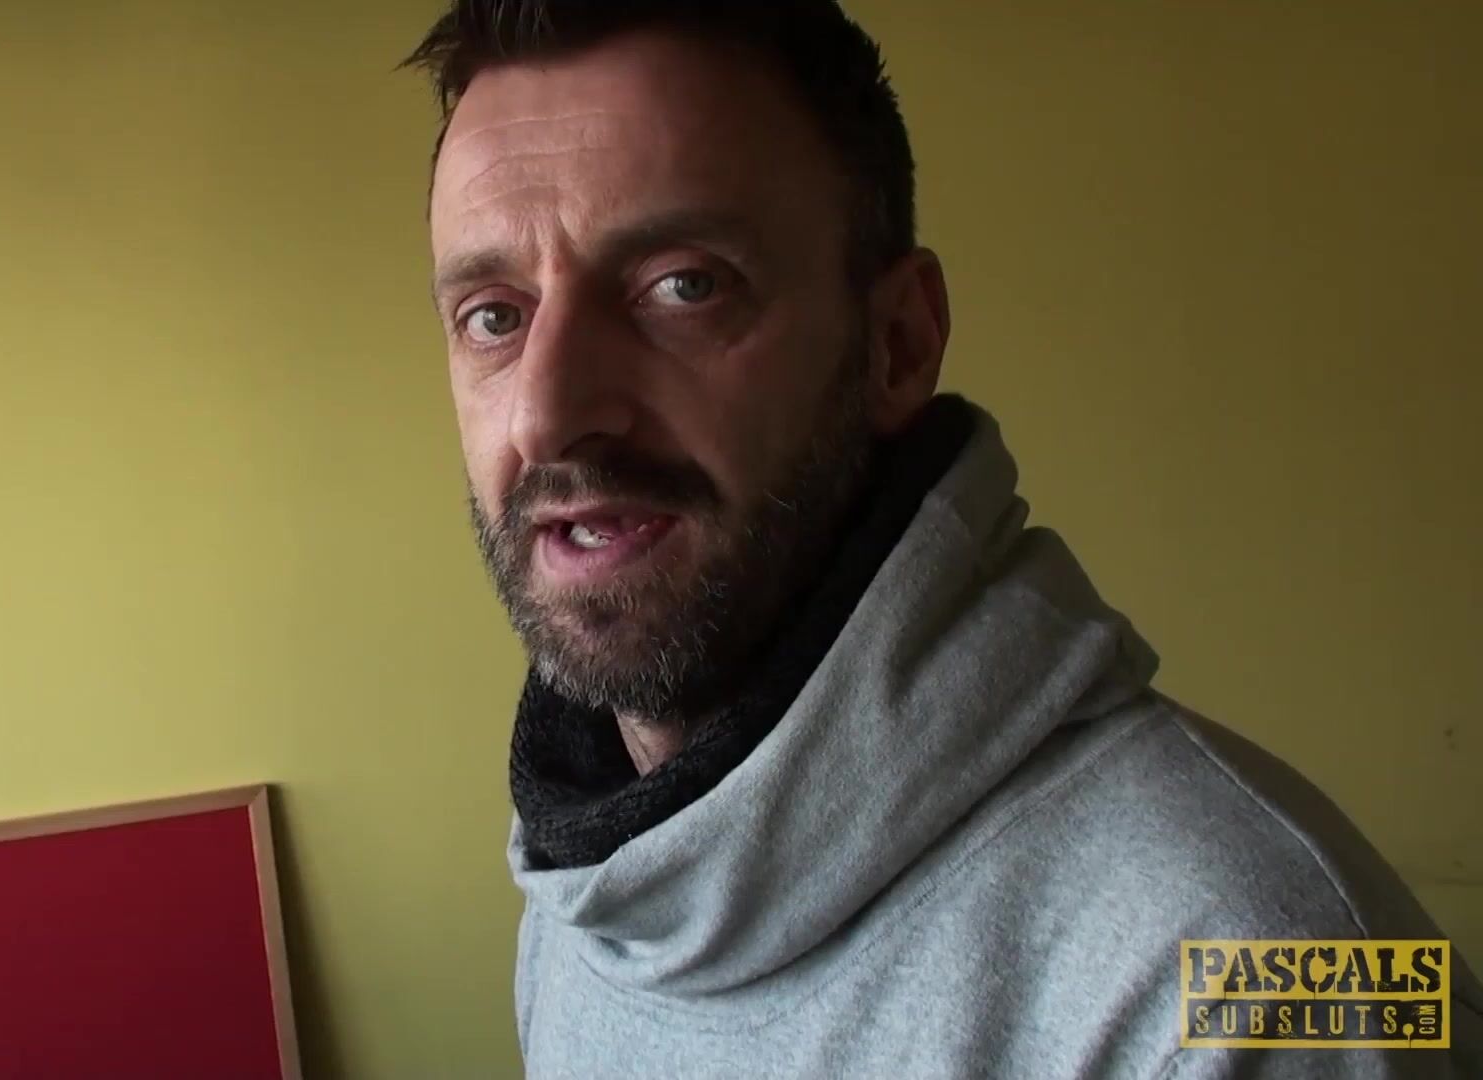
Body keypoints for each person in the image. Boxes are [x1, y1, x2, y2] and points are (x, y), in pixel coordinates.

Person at [401, 1, 1481, 1076]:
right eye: (494, 315)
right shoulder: (585, 889)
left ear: (899, 345)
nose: (546, 412)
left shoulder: (1284, 976)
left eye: (684, 286)